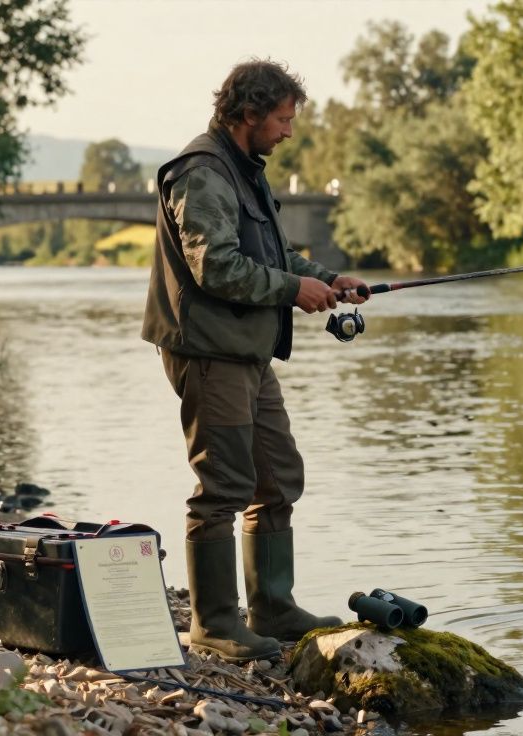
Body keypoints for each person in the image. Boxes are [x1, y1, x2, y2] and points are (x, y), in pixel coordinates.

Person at [142, 58, 368, 662]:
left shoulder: (245, 170)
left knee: (277, 477)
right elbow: (214, 267)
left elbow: (273, 254)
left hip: (246, 352)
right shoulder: (202, 173)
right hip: (209, 352)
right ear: (249, 113)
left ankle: (271, 607)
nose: (289, 131)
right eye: (283, 119)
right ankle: (215, 624)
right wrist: (293, 291)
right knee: (223, 486)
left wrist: (328, 280)